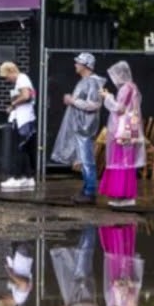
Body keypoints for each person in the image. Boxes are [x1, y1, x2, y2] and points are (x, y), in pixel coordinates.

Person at [52, 52, 105, 204]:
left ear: (85, 65)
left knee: (87, 160)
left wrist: (73, 101)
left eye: (78, 62)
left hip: (84, 128)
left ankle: (89, 192)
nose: (75, 65)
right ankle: (86, 189)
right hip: (80, 127)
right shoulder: (84, 81)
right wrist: (73, 101)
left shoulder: (92, 82)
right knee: (83, 160)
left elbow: (94, 105)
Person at [98, 61, 145, 208]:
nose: (114, 78)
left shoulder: (126, 88)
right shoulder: (133, 87)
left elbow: (120, 109)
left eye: (115, 75)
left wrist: (107, 97)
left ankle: (122, 195)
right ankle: (125, 195)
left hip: (122, 129)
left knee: (120, 160)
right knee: (127, 161)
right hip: (130, 128)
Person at [0, 61, 37, 191]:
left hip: (23, 119)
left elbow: (26, 95)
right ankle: (28, 177)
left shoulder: (21, 79)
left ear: (10, 71)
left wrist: (13, 104)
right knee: (24, 149)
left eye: (6, 76)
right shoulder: (23, 79)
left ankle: (18, 178)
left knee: (19, 149)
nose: (6, 79)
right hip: (25, 119)